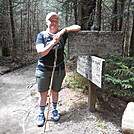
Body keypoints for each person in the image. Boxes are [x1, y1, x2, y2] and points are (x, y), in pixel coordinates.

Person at [35, 12, 81, 127]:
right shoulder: (42, 35)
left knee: (55, 91)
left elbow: (78, 27)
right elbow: (41, 53)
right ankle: (41, 113)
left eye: (55, 21)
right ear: (47, 22)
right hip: (44, 69)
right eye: (51, 20)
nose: (53, 23)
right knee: (43, 93)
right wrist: (52, 43)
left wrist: (63, 31)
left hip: (59, 69)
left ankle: (54, 109)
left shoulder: (62, 34)